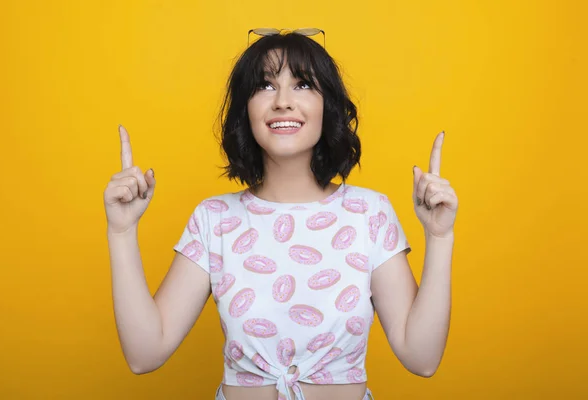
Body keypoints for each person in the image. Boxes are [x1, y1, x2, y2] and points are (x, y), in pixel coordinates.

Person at [104, 29, 459, 400]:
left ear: (328, 107)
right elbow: (145, 354)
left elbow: (422, 359)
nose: (283, 102)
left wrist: (439, 238)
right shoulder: (215, 219)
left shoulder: (369, 213)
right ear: (246, 109)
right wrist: (121, 231)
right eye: (265, 86)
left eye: (303, 84)